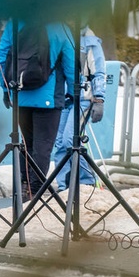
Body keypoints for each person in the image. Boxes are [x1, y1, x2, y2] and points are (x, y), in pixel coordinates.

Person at [0, 20, 76, 200]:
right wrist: (72, 92)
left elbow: (2, 58)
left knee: (26, 144)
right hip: (49, 97)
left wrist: (6, 88)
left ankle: (24, 185)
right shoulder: (59, 27)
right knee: (43, 146)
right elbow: (71, 63)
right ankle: (35, 189)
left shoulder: (14, 24)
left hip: (20, 94)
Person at [51, 24, 107, 192]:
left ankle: (87, 180)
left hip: (84, 98)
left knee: (70, 139)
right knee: (60, 142)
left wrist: (99, 99)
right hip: (65, 98)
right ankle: (64, 185)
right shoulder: (60, 34)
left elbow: (99, 72)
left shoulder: (90, 41)